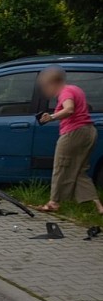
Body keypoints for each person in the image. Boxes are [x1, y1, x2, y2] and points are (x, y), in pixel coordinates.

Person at [37, 65, 103, 214]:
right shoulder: (75, 89)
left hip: (74, 133)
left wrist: (51, 117)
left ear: (54, 82)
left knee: (61, 166)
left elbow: (69, 109)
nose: (46, 90)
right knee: (79, 171)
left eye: (46, 86)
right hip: (88, 131)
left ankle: (53, 202)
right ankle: (99, 206)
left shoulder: (65, 92)